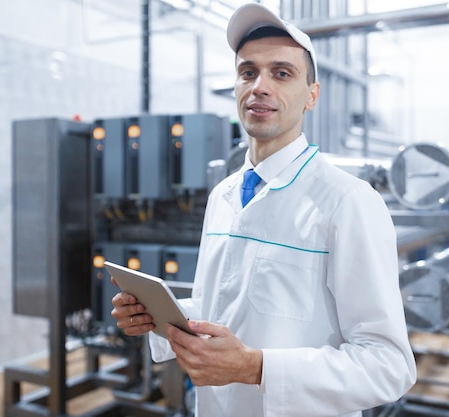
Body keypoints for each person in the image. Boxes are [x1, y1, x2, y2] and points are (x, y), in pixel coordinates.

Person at [111, 3, 416, 416]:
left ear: (312, 95)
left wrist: (256, 367)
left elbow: (389, 366)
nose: (260, 86)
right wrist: (161, 316)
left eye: (282, 73)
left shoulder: (348, 202)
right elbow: (221, 306)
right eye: (248, 72)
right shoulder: (223, 195)